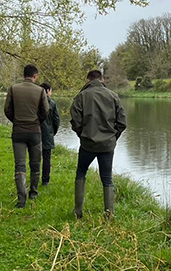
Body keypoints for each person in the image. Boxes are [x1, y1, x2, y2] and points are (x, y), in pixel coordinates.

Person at [70, 70, 127, 219]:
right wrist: (113, 138)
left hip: (87, 144)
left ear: (88, 80)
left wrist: (82, 135)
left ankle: (78, 212)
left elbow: (75, 121)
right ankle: (109, 214)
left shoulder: (81, 96)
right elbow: (122, 123)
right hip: (107, 145)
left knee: (81, 172)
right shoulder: (113, 96)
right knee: (107, 178)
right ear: (102, 79)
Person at [3, 64, 49, 208]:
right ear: (35, 76)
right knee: (35, 164)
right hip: (35, 132)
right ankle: (33, 192)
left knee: (20, 165)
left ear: (24, 75)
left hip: (18, 132)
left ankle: (21, 200)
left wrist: (16, 121)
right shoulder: (41, 91)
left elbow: (7, 110)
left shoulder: (13, 89)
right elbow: (45, 111)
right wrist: (36, 122)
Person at [39, 82, 61, 187]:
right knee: (46, 158)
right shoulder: (52, 104)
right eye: (51, 90)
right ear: (48, 91)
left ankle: (34, 178)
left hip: (35, 133)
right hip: (47, 134)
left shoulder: (34, 102)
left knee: (35, 158)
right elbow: (56, 121)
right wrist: (52, 132)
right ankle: (45, 181)